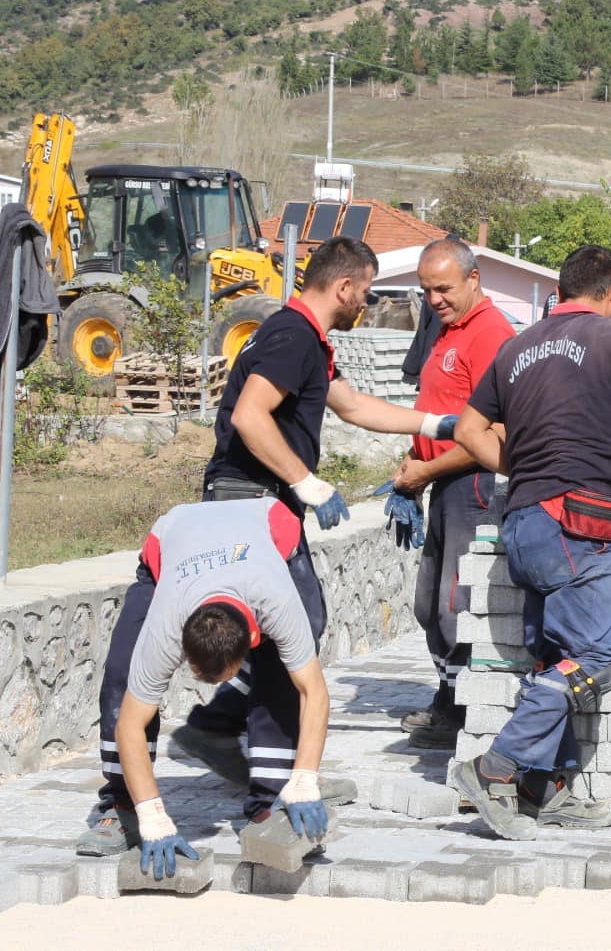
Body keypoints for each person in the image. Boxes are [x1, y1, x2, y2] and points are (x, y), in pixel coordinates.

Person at [172, 236, 462, 808]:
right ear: (344, 286)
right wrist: (305, 481)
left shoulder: (304, 338)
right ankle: (256, 752)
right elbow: (249, 416)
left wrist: (434, 424)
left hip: (260, 502)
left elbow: (352, 405)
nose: (366, 304)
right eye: (366, 293)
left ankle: (233, 732)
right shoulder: (292, 336)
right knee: (298, 626)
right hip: (251, 503)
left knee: (292, 625)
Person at [450, 244, 611, 840]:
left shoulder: (515, 347)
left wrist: (520, 467)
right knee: (593, 664)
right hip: (579, 522)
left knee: (553, 662)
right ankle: (495, 768)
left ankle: (545, 787)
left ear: (560, 290)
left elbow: (467, 430)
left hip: (523, 522)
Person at [75, 499, 333, 866]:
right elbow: (130, 724)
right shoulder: (166, 626)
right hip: (175, 538)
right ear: (182, 645)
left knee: (284, 673)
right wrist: (153, 817)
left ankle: (274, 801)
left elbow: (313, 690)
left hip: (269, 528)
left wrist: (305, 778)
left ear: (253, 638)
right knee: (122, 675)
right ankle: (123, 805)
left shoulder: (276, 602)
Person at [385, 239, 516, 749]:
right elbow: (440, 409)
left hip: (472, 485)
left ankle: (464, 710)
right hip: (441, 480)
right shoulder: (447, 328)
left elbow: (495, 433)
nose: (434, 299)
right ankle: (449, 696)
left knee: (455, 604)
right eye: (426, 290)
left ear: (473, 279)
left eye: (443, 288)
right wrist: (415, 460)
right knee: (428, 605)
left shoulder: (490, 334)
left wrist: (426, 470)